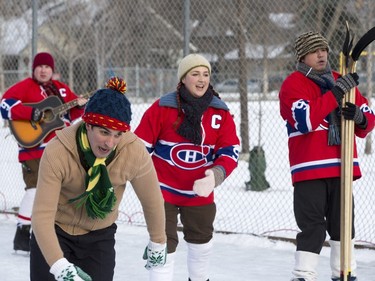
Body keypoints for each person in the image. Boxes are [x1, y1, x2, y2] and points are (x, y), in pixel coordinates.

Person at [30, 76, 167, 281]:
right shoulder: (58, 151)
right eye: (104, 132)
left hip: (99, 235)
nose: (110, 142)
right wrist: (60, 267)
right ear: (88, 126)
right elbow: (42, 216)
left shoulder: (133, 152)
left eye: (118, 134)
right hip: (55, 230)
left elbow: (152, 200)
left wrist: (158, 242)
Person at [279, 31, 375, 281]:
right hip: (309, 168)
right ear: (302, 56)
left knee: (343, 226)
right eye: (314, 50)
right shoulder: (293, 84)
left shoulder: (341, 80)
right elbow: (306, 121)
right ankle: (303, 275)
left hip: (341, 166)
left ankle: (344, 273)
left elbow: (368, 121)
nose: (321, 54)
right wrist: (334, 95)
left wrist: (359, 117)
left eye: (324, 49)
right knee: (312, 227)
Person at [134, 53, 240, 281]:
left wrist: (214, 176)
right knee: (161, 242)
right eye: (195, 74)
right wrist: (143, 181)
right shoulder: (163, 107)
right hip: (162, 190)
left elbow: (230, 151)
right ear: (183, 78)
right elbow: (139, 148)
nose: (201, 79)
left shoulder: (220, 112)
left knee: (201, 242)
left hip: (199, 192)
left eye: (205, 74)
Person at [0, 52, 88, 253]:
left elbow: (73, 113)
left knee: (59, 192)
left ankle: (53, 234)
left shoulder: (61, 90)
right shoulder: (25, 87)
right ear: (34, 69)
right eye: (39, 66)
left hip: (57, 149)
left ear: (52, 70)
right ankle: (22, 235)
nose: (43, 70)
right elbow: (5, 106)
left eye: (47, 67)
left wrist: (81, 106)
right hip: (33, 150)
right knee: (34, 190)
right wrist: (32, 113)